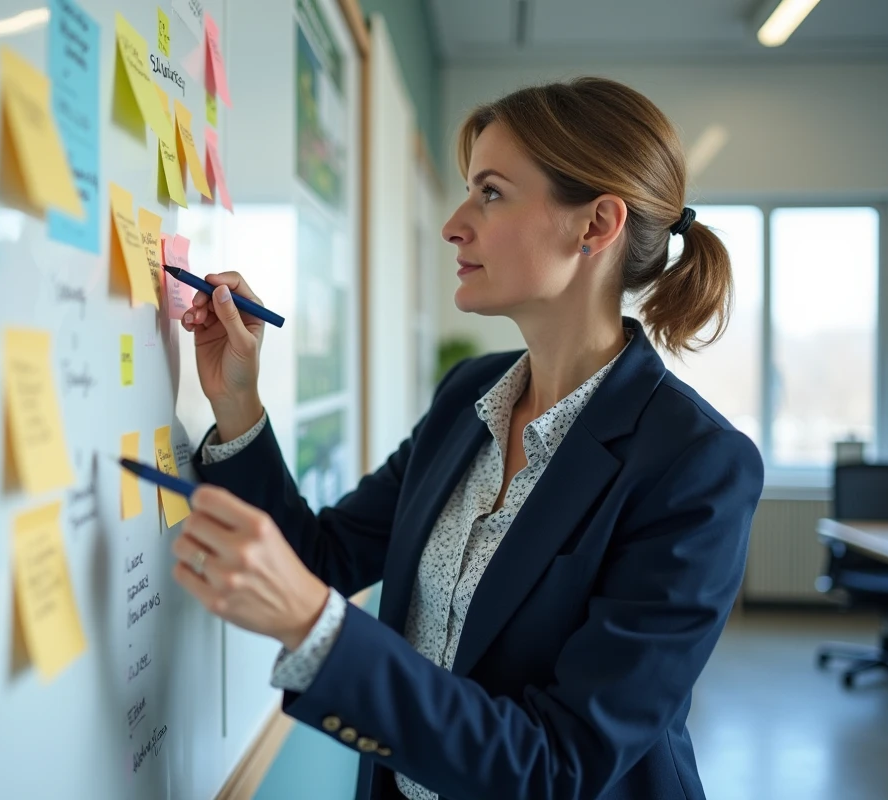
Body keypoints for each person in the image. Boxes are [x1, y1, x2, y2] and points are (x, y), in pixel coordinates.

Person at [171, 77, 764, 800]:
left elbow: (559, 764)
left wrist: (314, 627)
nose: (454, 224)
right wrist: (237, 403)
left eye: (490, 192)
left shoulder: (695, 466)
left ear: (596, 226)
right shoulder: (467, 397)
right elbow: (322, 557)